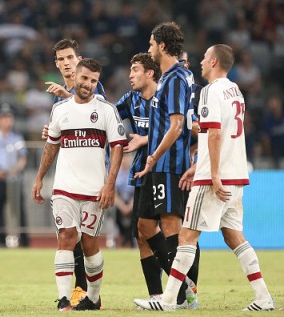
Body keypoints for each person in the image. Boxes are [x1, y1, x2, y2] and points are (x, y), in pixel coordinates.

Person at [135, 44, 275, 312]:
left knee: (186, 237)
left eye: (204, 58)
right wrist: (198, 165)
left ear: (213, 62)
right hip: (236, 175)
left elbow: (214, 134)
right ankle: (264, 297)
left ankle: (167, 301)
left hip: (215, 180)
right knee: (234, 236)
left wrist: (211, 174)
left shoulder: (211, 91)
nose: (199, 62)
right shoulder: (236, 91)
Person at [32, 58, 127, 311]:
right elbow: (51, 146)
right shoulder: (60, 110)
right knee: (66, 236)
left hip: (94, 190)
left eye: (94, 81)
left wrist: (110, 184)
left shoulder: (106, 110)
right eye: (84, 79)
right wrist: (40, 176)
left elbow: (118, 147)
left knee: (89, 244)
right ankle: (64, 299)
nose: (88, 85)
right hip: (64, 187)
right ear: (75, 77)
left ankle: (93, 298)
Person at [133, 22, 197, 307]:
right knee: (145, 225)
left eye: (150, 44)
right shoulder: (173, 76)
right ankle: (178, 289)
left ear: (161, 45)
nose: (148, 49)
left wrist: (154, 155)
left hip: (169, 165)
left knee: (173, 227)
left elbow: (177, 125)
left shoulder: (174, 79)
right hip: (157, 166)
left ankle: (180, 296)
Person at [44, 38, 107, 307]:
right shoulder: (61, 101)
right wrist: (49, 133)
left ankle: (88, 291)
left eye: (70, 57)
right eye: (62, 59)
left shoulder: (90, 85)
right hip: (70, 177)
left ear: (78, 58)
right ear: (56, 64)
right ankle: (79, 290)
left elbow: (96, 109)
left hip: (92, 177)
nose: (67, 63)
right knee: (70, 235)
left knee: (86, 238)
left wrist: (66, 97)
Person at [115, 52, 165, 299]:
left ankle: (185, 286)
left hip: (168, 170)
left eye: (135, 70)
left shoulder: (167, 96)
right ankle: (157, 295)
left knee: (175, 233)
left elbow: (181, 128)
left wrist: (144, 139)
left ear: (150, 73)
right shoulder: (130, 99)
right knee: (142, 232)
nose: (130, 75)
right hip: (142, 172)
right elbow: (106, 114)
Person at [0, 106, 29, 247]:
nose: (7, 121)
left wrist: (16, 169)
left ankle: (24, 241)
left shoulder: (17, 138)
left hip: (14, 177)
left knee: (19, 210)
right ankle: (1, 241)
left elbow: (23, 158)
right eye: (4, 118)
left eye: (9, 118)